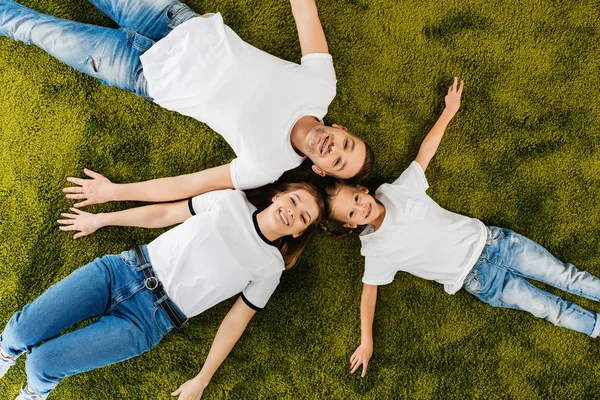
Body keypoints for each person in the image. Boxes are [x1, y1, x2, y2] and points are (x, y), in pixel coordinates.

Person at [323, 78, 600, 377]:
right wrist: (367, 341)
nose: (360, 207)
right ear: (351, 224)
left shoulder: (395, 190)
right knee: (548, 308)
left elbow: (424, 154)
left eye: (355, 198)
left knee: (565, 275)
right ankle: (595, 328)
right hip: (481, 280)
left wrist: (449, 111)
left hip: (496, 243)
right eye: (352, 212)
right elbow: (369, 295)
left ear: (362, 189)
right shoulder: (375, 251)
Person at [0, 0, 374, 203]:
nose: (333, 148)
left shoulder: (267, 167)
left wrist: (114, 193)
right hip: (171, 21)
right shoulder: (321, 86)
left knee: (37, 31)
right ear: (342, 130)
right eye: (346, 143)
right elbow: (304, 11)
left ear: (320, 170)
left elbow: (189, 185)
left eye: (337, 161)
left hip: (143, 74)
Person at [0, 182, 324, 399]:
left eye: (303, 217)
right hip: (120, 271)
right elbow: (166, 213)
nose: (293, 212)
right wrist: (101, 220)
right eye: (294, 200)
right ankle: (4, 355)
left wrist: (202, 379)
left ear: (300, 231)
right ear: (278, 196)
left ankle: (32, 394)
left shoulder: (270, 267)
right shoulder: (229, 200)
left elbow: (235, 322)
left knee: (41, 365)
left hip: (148, 322)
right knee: (17, 333)